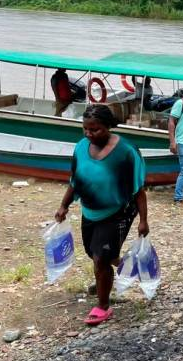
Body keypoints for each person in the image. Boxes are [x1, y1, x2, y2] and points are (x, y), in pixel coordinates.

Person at [54, 104, 148, 325]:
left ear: (108, 127)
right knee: (92, 251)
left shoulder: (127, 152)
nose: (89, 134)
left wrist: (143, 220)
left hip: (119, 211)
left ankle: (103, 305)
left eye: (94, 130)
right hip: (91, 210)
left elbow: (139, 190)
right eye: (85, 129)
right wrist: (64, 205)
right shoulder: (80, 148)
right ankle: (126, 269)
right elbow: (75, 181)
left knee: (101, 258)